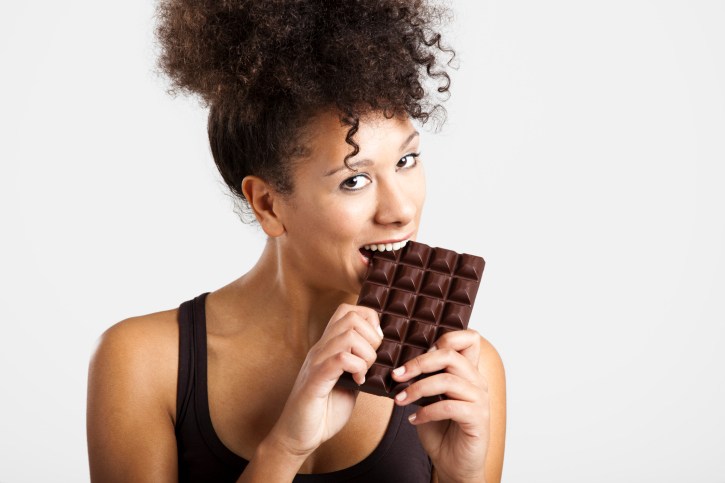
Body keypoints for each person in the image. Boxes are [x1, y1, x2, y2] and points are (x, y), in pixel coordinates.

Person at [86, 1, 506, 482]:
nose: (402, 210)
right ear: (266, 204)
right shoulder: (143, 362)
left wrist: (461, 477)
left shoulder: (460, 373)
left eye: (406, 161)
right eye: (354, 180)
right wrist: (285, 447)